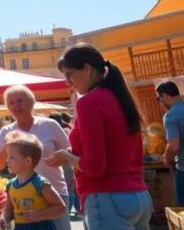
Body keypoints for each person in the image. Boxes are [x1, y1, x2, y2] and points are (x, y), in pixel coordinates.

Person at [46, 43, 150, 230]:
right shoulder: (119, 97)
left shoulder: (89, 102)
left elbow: (95, 167)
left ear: (87, 68)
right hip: (139, 196)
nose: (68, 83)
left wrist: (67, 157)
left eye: (69, 75)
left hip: (107, 197)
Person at [0, 86, 71, 230]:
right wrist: (9, 143)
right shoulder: (6, 131)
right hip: (23, 196)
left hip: (54, 191)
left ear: (31, 102)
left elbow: (70, 151)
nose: (16, 106)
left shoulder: (50, 125)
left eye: (20, 101)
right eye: (11, 103)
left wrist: (62, 158)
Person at [0, 131, 66, 230]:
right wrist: (3, 218)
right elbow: (9, 210)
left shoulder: (40, 183)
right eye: (7, 157)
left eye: (11, 157)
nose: (7, 160)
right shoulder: (11, 185)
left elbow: (61, 207)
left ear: (27, 161)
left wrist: (40, 215)